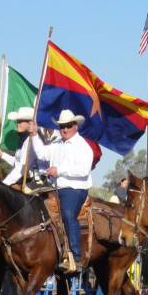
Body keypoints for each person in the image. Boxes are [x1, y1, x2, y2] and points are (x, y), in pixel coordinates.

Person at [32, 109, 93, 274]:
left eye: (68, 126)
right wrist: (34, 135)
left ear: (75, 126)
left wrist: (59, 171)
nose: (65, 129)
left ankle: (75, 256)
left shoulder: (83, 147)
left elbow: (83, 170)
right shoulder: (57, 144)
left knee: (67, 214)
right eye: (62, 126)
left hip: (74, 188)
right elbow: (41, 154)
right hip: (54, 187)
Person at [0, 106, 56, 188]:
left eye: (20, 121)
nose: (18, 124)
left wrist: (3, 185)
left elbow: (21, 169)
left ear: (30, 123)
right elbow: (18, 163)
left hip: (39, 181)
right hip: (29, 180)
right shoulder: (23, 140)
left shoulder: (31, 141)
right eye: (17, 121)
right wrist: (2, 155)